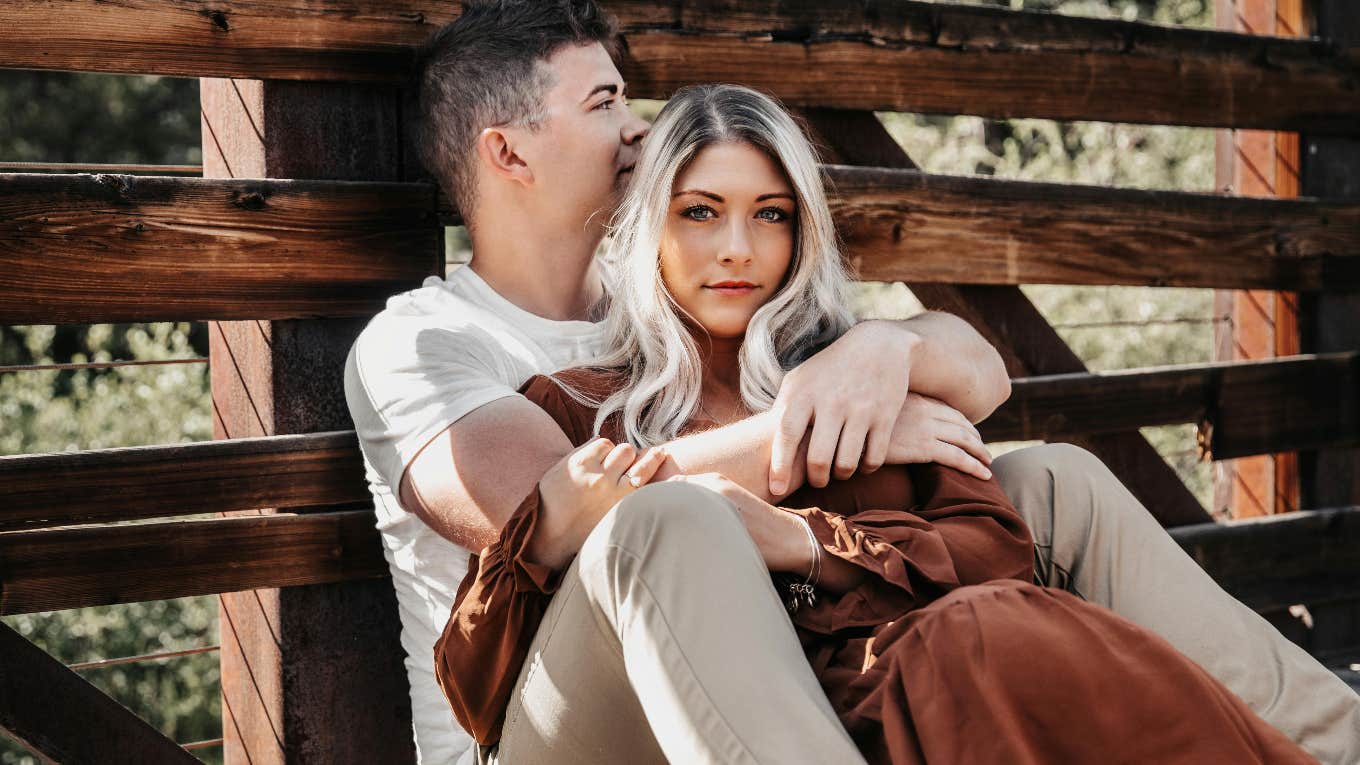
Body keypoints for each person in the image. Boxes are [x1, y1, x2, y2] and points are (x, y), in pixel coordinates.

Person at [342, 1, 1360, 762]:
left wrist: (883, 355)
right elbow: (553, 510)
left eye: (763, 214)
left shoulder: (676, 297)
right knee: (668, 521)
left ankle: (1334, 739)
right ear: (508, 150)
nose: (637, 129)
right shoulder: (425, 338)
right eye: (606, 103)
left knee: (1054, 480)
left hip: (760, 670)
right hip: (559, 723)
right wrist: (815, 421)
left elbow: (978, 376)